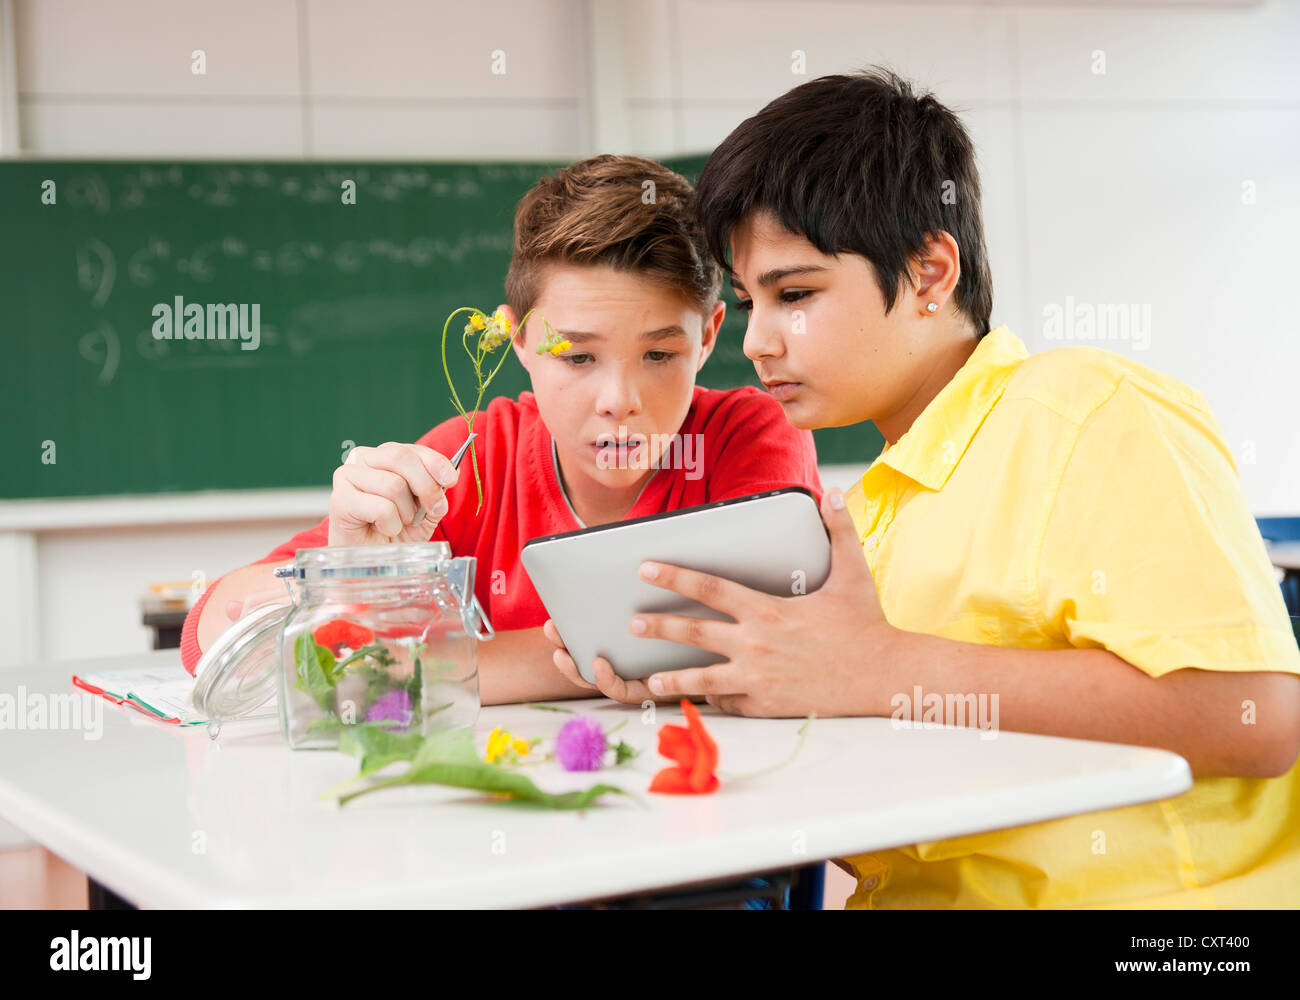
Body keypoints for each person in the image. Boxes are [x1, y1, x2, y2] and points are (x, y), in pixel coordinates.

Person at [547, 70, 1300, 908]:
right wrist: (721, 681)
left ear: (929, 271)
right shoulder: (871, 514)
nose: (758, 342)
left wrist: (877, 668)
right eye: (752, 299)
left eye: (795, 294)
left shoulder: (1084, 410)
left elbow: (1256, 717)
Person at [180, 154, 823, 705]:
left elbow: (768, 636)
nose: (618, 401)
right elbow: (211, 630)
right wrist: (348, 575)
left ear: (708, 337)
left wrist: (424, 666)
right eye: (577, 357)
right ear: (517, 337)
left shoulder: (750, 433)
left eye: (659, 355)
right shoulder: (474, 456)